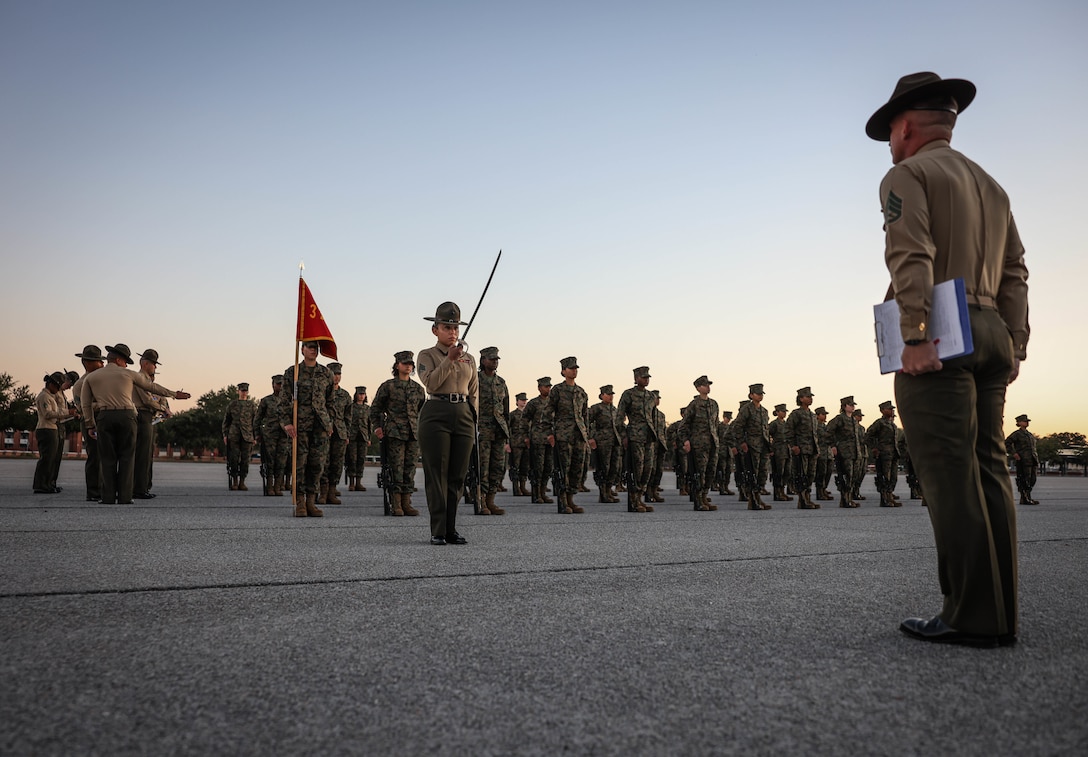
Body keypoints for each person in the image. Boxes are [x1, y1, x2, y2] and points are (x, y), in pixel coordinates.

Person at [868, 71, 1029, 646]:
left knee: (949, 478)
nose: (890, 143)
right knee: (990, 470)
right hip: (990, 330)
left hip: (940, 327)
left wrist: (913, 335)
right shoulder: (992, 186)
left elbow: (911, 254)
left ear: (905, 126)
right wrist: (1016, 342)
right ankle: (1000, 612)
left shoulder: (906, 174)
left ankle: (969, 614)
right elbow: (1015, 272)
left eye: (890, 131)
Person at [80, 344, 190, 505]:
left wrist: (90, 424)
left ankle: (108, 497)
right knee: (127, 457)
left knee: (107, 457)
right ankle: (125, 496)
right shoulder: (128, 374)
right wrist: (174, 394)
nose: (126, 365)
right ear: (118, 360)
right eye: (125, 361)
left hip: (104, 417)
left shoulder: (92, 377)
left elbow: (85, 404)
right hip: (127, 417)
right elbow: (151, 387)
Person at [417, 303, 478, 545]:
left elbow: (474, 392)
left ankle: (451, 528)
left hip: (463, 413)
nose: (452, 332)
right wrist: (449, 360)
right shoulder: (426, 355)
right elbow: (431, 383)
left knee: (457, 476)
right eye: (446, 327)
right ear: (435, 330)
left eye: (455, 327)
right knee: (437, 474)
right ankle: (438, 530)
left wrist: (474, 420)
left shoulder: (469, 359)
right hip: (436, 412)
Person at [281, 342, 334, 517]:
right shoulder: (293, 372)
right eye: (309, 347)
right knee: (299, 465)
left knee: (317, 465)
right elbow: (283, 400)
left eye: (315, 347)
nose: (313, 350)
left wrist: (330, 423)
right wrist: (287, 422)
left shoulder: (326, 373)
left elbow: (330, 402)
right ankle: (300, 502)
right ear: (302, 350)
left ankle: (312, 501)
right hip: (300, 425)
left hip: (320, 426)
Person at [370, 352, 425, 517]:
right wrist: (378, 427)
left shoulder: (418, 389)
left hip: (413, 434)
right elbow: (375, 409)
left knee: (410, 469)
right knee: (396, 468)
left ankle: (407, 502)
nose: (408, 366)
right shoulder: (388, 386)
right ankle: (396, 504)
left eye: (410, 363)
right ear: (397, 366)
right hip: (394, 433)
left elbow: (422, 411)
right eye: (404, 363)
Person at [547, 356, 590, 514]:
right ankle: (563, 500)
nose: (574, 370)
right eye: (571, 368)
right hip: (563, 435)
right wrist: (549, 434)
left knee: (577, 468)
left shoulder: (581, 392)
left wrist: (587, 436)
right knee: (563, 468)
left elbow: (585, 416)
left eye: (576, 368)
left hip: (579, 435)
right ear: (563, 371)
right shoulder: (557, 390)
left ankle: (571, 499)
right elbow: (548, 413)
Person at [616, 367, 658, 512]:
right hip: (635, 436)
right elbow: (619, 418)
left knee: (648, 469)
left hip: (649, 437)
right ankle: (633, 500)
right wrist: (623, 436)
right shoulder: (628, 394)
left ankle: (640, 497)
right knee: (636, 469)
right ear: (636, 378)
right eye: (643, 377)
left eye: (647, 377)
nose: (646, 379)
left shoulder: (651, 396)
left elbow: (653, 418)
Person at [132, 349, 170, 499]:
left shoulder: (145, 379)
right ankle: (139, 489)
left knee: (146, 454)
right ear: (145, 363)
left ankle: (144, 486)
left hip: (147, 417)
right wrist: (163, 409)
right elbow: (147, 400)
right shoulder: (140, 378)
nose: (155, 367)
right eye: (154, 364)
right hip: (142, 415)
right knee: (142, 454)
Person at [476, 346, 510, 515]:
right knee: (483, 467)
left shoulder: (501, 382)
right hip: (481, 430)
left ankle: (491, 500)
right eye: (491, 359)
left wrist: (507, 434)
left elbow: (505, 409)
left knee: (497, 467)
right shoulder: (474, 380)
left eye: (496, 359)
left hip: (498, 431)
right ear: (483, 361)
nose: (495, 362)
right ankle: (481, 501)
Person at [71, 345, 106, 501]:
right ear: (87, 363)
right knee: (95, 457)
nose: (102, 364)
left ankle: (106, 488)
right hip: (91, 421)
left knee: (107, 456)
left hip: (105, 420)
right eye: (99, 362)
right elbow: (81, 407)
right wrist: (104, 403)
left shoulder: (103, 379)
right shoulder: (80, 384)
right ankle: (93, 492)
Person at [680, 376, 719, 511]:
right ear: (698, 388)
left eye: (708, 384)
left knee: (710, 472)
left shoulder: (714, 404)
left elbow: (715, 425)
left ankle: (704, 497)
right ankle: (698, 500)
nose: (707, 387)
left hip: (712, 443)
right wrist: (686, 441)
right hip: (699, 444)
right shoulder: (694, 404)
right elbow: (683, 426)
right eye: (704, 385)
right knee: (699, 473)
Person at [33, 372, 75, 493]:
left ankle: (47, 484)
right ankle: (40, 485)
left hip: (52, 428)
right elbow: (48, 414)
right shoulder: (44, 397)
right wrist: (68, 413)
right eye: (57, 386)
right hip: (46, 429)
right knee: (46, 458)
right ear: (50, 384)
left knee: (52, 459)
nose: (58, 390)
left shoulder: (50, 396)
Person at [732, 384, 771, 510]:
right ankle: (752, 499)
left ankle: (758, 497)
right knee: (752, 473)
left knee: (762, 473)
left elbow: (766, 429)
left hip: (763, 446)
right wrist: (742, 442)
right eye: (757, 393)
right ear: (751, 395)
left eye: (761, 394)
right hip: (751, 446)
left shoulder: (764, 411)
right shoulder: (747, 409)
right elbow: (738, 427)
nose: (760, 395)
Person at [320, 363, 353, 505]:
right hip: (323, 432)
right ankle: (322, 493)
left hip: (339, 433)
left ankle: (332, 492)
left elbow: (348, 417)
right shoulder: (320, 392)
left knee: (337, 464)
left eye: (338, 374)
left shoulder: (345, 395)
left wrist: (347, 435)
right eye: (333, 374)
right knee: (323, 462)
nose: (336, 377)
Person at [784, 387, 820, 509]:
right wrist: (793, 445)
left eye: (811, 397)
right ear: (801, 399)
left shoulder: (812, 415)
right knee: (801, 474)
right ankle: (802, 499)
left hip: (812, 449)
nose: (810, 399)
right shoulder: (796, 414)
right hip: (801, 449)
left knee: (810, 474)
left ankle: (808, 498)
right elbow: (788, 430)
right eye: (808, 397)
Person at [254, 375, 288, 496]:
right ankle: (269, 487)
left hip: (284, 435)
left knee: (281, 462)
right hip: (270, 435)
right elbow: (258, 419)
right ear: (273, 385)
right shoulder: (266, 400)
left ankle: (277, 487)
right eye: (278, 384)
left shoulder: (289, 400)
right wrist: (257, 434)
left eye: (282, 384)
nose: (280, 386)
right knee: (270, 461)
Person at [523, 377, 554, 505]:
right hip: (538, 439)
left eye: (549, 386)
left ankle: (543, 492)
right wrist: (525, 436)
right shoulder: (534, 403)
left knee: (548, 467)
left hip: (550, 439)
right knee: (538, 468)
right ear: (539, 388)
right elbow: (524, 419)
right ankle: (536, 494)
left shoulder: (554, 402)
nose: (548, 389)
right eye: (546, 386)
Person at [588, 385, 622, 503]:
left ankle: (608, 491)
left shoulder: (615, 410)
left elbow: (620, 426)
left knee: (614, 468)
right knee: (603, 468)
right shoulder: (596, 408)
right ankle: (603, 494)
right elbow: (586, 422)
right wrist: (590, 438)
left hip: (614, 441)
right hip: (602, 442)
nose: (611, 396)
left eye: (612, 394)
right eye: (608, 394)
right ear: (602, 395)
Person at [826, 396, 861, 508]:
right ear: (844, 406)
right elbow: (828, 431)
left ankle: (849, 498)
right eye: (850, 405)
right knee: (846, 475)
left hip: (854, 452)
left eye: (853, 405)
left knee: (853, 476)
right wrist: (833, 445)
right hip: (844, 451)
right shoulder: (839, 419)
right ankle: (845, 499)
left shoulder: (853, 420)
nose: (853, 407)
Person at [865, 401, 902, 507]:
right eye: (889, 409)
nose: (892, 410)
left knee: (893, 477)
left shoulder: (892, 424)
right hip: (884, 454)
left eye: (892, 409)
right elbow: (868, 436)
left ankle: (890, 497)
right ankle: (884, 499)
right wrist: (874, 448)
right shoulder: (879, 423)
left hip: (893, 454)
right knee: (885, 477)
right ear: (882, 410)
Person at [223, 382, 256, 492]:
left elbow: (255, 421)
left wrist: (255, 436)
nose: (243, 393)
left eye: (245, 391)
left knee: (245, 460)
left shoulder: (251, 405)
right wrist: (225, 435)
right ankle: (235, 482)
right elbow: (226, 421)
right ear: (238, 391)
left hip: (247, 435)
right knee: (234, 458)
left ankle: (242, 482)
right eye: (242, 391)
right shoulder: (232, 404)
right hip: (234, 435)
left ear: (248, 392)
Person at [1005, 415, 1039, 505]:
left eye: (1027, 421)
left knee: (1032, 479)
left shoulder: (1029, 435)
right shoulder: (1017, 434)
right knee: (1024, 479)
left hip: (1032, 459)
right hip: (1023, 460)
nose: (1027, 422)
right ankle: (1024, 498)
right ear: (1019, 423)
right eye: (1024, 421)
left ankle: (1028, 497)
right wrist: (1014, 453)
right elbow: (1007, 443)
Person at [345, 386, 371, 492]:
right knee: (352, 459)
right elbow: (347, 421)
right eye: (359, 394)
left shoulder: (367, 409)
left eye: (363, 394)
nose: (361, 396)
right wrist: (346, 435)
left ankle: (358, 482)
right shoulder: (351, 407)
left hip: (363, 436)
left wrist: (369, 437)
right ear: (356, 395)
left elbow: (370, 424)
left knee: (361, 459)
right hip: (352, 436)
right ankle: (351, 483)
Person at [507, 392, 531, 497]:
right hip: (516, 444)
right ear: (517, 402)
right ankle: (516, 488)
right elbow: (507, 429)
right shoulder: (512, 415)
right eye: (521, 400)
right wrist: (507, 443)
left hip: (526, 444)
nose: (524, 402)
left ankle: (523, 487)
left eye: (525, 400)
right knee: (515, 466)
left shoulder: (528, 414)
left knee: (525, 467)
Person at [813, 406, 834, 501]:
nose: (825, 416)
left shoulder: (824, 426)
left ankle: (823, 489)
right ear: (817, 415)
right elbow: (823, 437)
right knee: (821, 473)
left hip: (828, 452)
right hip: (821, 452)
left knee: (828, 472)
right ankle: (819, 492)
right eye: (823, 414)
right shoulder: (816, 425)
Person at [715, 411, 735, 496]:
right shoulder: (719, 427)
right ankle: (721, 487)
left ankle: (726, 487)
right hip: (721, 451)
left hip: (729, 451)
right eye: (727, 418)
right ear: (724, 417)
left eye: (729, 418)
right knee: (721, 470)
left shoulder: (730, 427)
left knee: (728, 470)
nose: (728, 420)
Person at [851, 408, 868, 501]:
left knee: (862, 473)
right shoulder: (852, 427)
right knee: (855, 474)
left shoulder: (861, 428)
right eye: (859, 416)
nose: (860, 417)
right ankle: (852, 492)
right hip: (856, 453)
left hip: (863, 453)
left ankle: (857, 491)